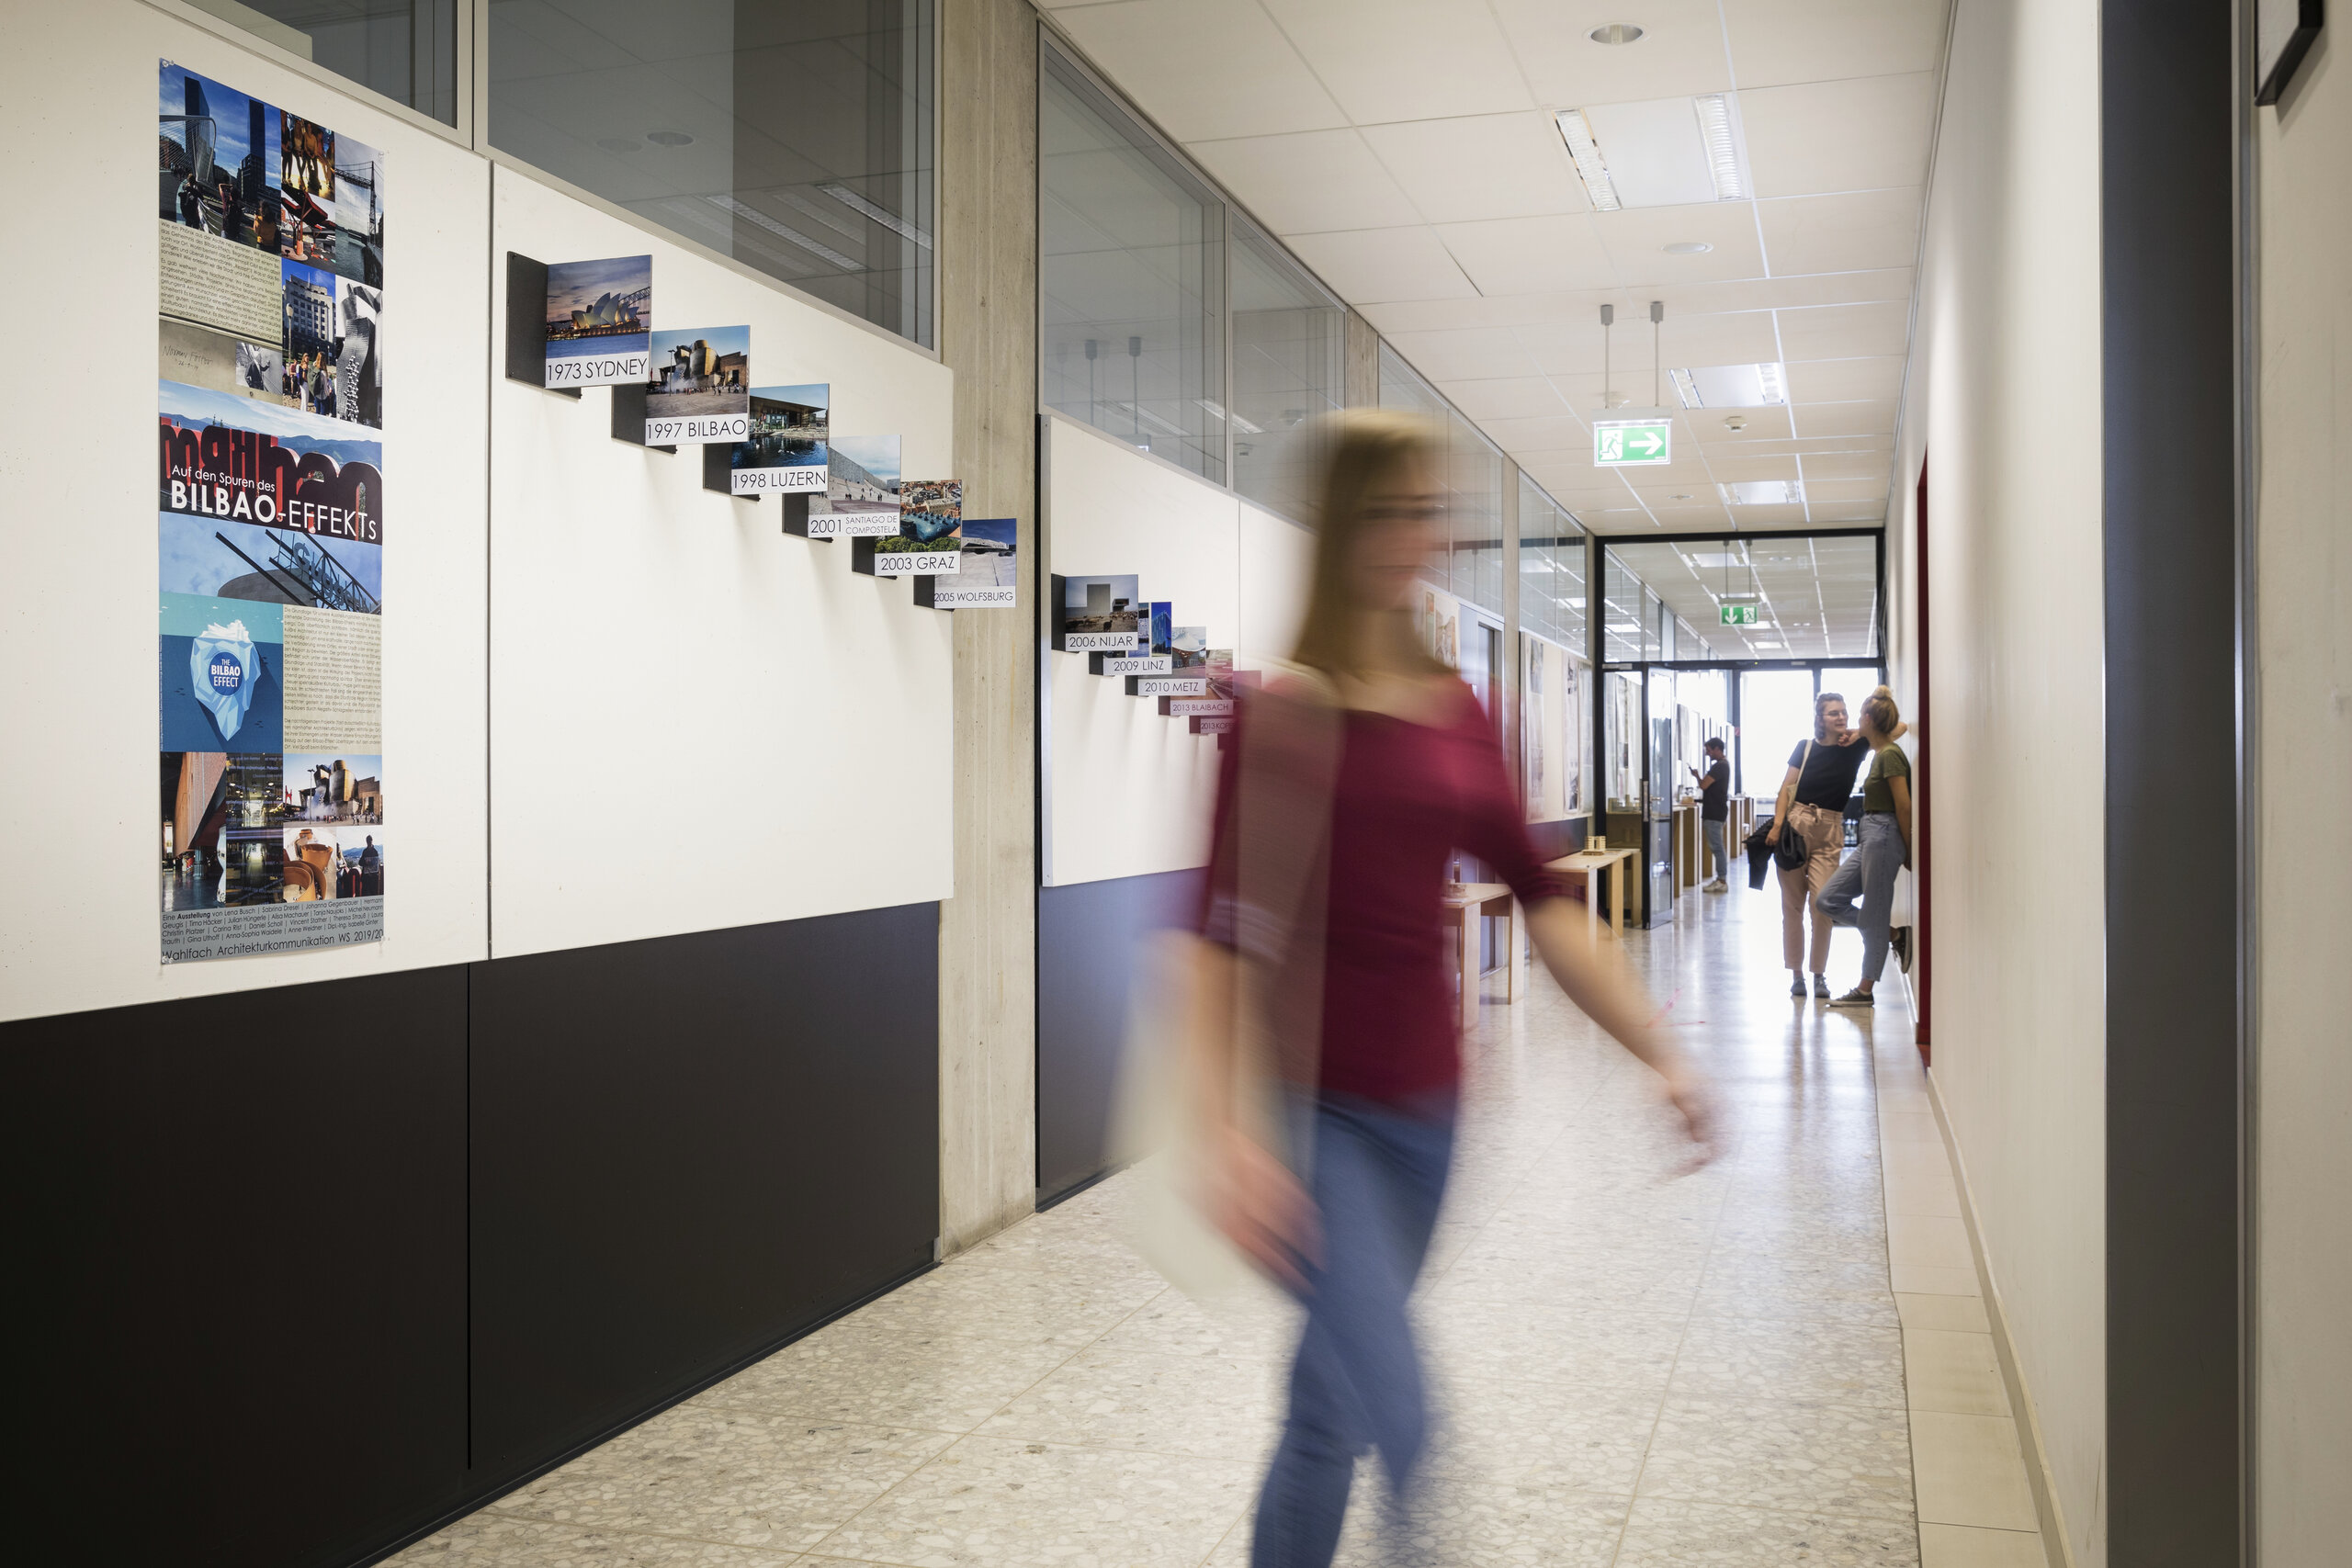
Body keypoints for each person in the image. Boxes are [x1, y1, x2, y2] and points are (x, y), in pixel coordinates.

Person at [1182, 411, 1717, 1568]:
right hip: (1307, 1113)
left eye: (1435, 511)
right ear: (1343, 529)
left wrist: (1662, 1053)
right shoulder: (1276, 715)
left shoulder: (1466, 715)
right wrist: (1221, 1131)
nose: (1428, 534)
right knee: (1406, 1420)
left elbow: (1545, 903)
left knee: (1328, 1406)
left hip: (1428, 1116)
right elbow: (1214, 945)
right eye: (1398, 509)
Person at [1765, 692, 1901, 998]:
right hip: (1796, 826)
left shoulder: (1858, 746)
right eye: (1833, 713)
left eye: (1844, 712)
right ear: (1820, 719)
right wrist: (1776, 826)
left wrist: (1858, 734)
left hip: (1830, 829)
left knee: (1822, 906)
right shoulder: (1806, 747)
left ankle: (1819, 975)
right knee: (1792, 907)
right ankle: (1796, 974)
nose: (1841, 717)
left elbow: (1900, 727)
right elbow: (1785, 790)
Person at [1816, 687, 1912, 1006]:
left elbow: (1904, 806)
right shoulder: (1879, 752)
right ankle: (1895, 935)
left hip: (1885, 832)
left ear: (1869, 719)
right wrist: (1860, 734)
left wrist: (1909, 849)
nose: (1851, 721)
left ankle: (1865, 990)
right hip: (1871, 832)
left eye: (1858, 717)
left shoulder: (1890, 755)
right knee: (1828, 900)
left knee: (1874, 910)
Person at [1689, 737, 1731, 892]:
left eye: (1709, 750)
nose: (1708, 754)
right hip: (1715, 812)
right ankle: (1721, 879)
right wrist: (1698, 776)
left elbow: (1704, 785)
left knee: (1717, 847)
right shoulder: (1721, 766)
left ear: (1717, 749)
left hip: (1714, 813)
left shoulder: (1720, 766)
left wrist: (1698, 777)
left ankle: (1722, 880)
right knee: (1716, 846)